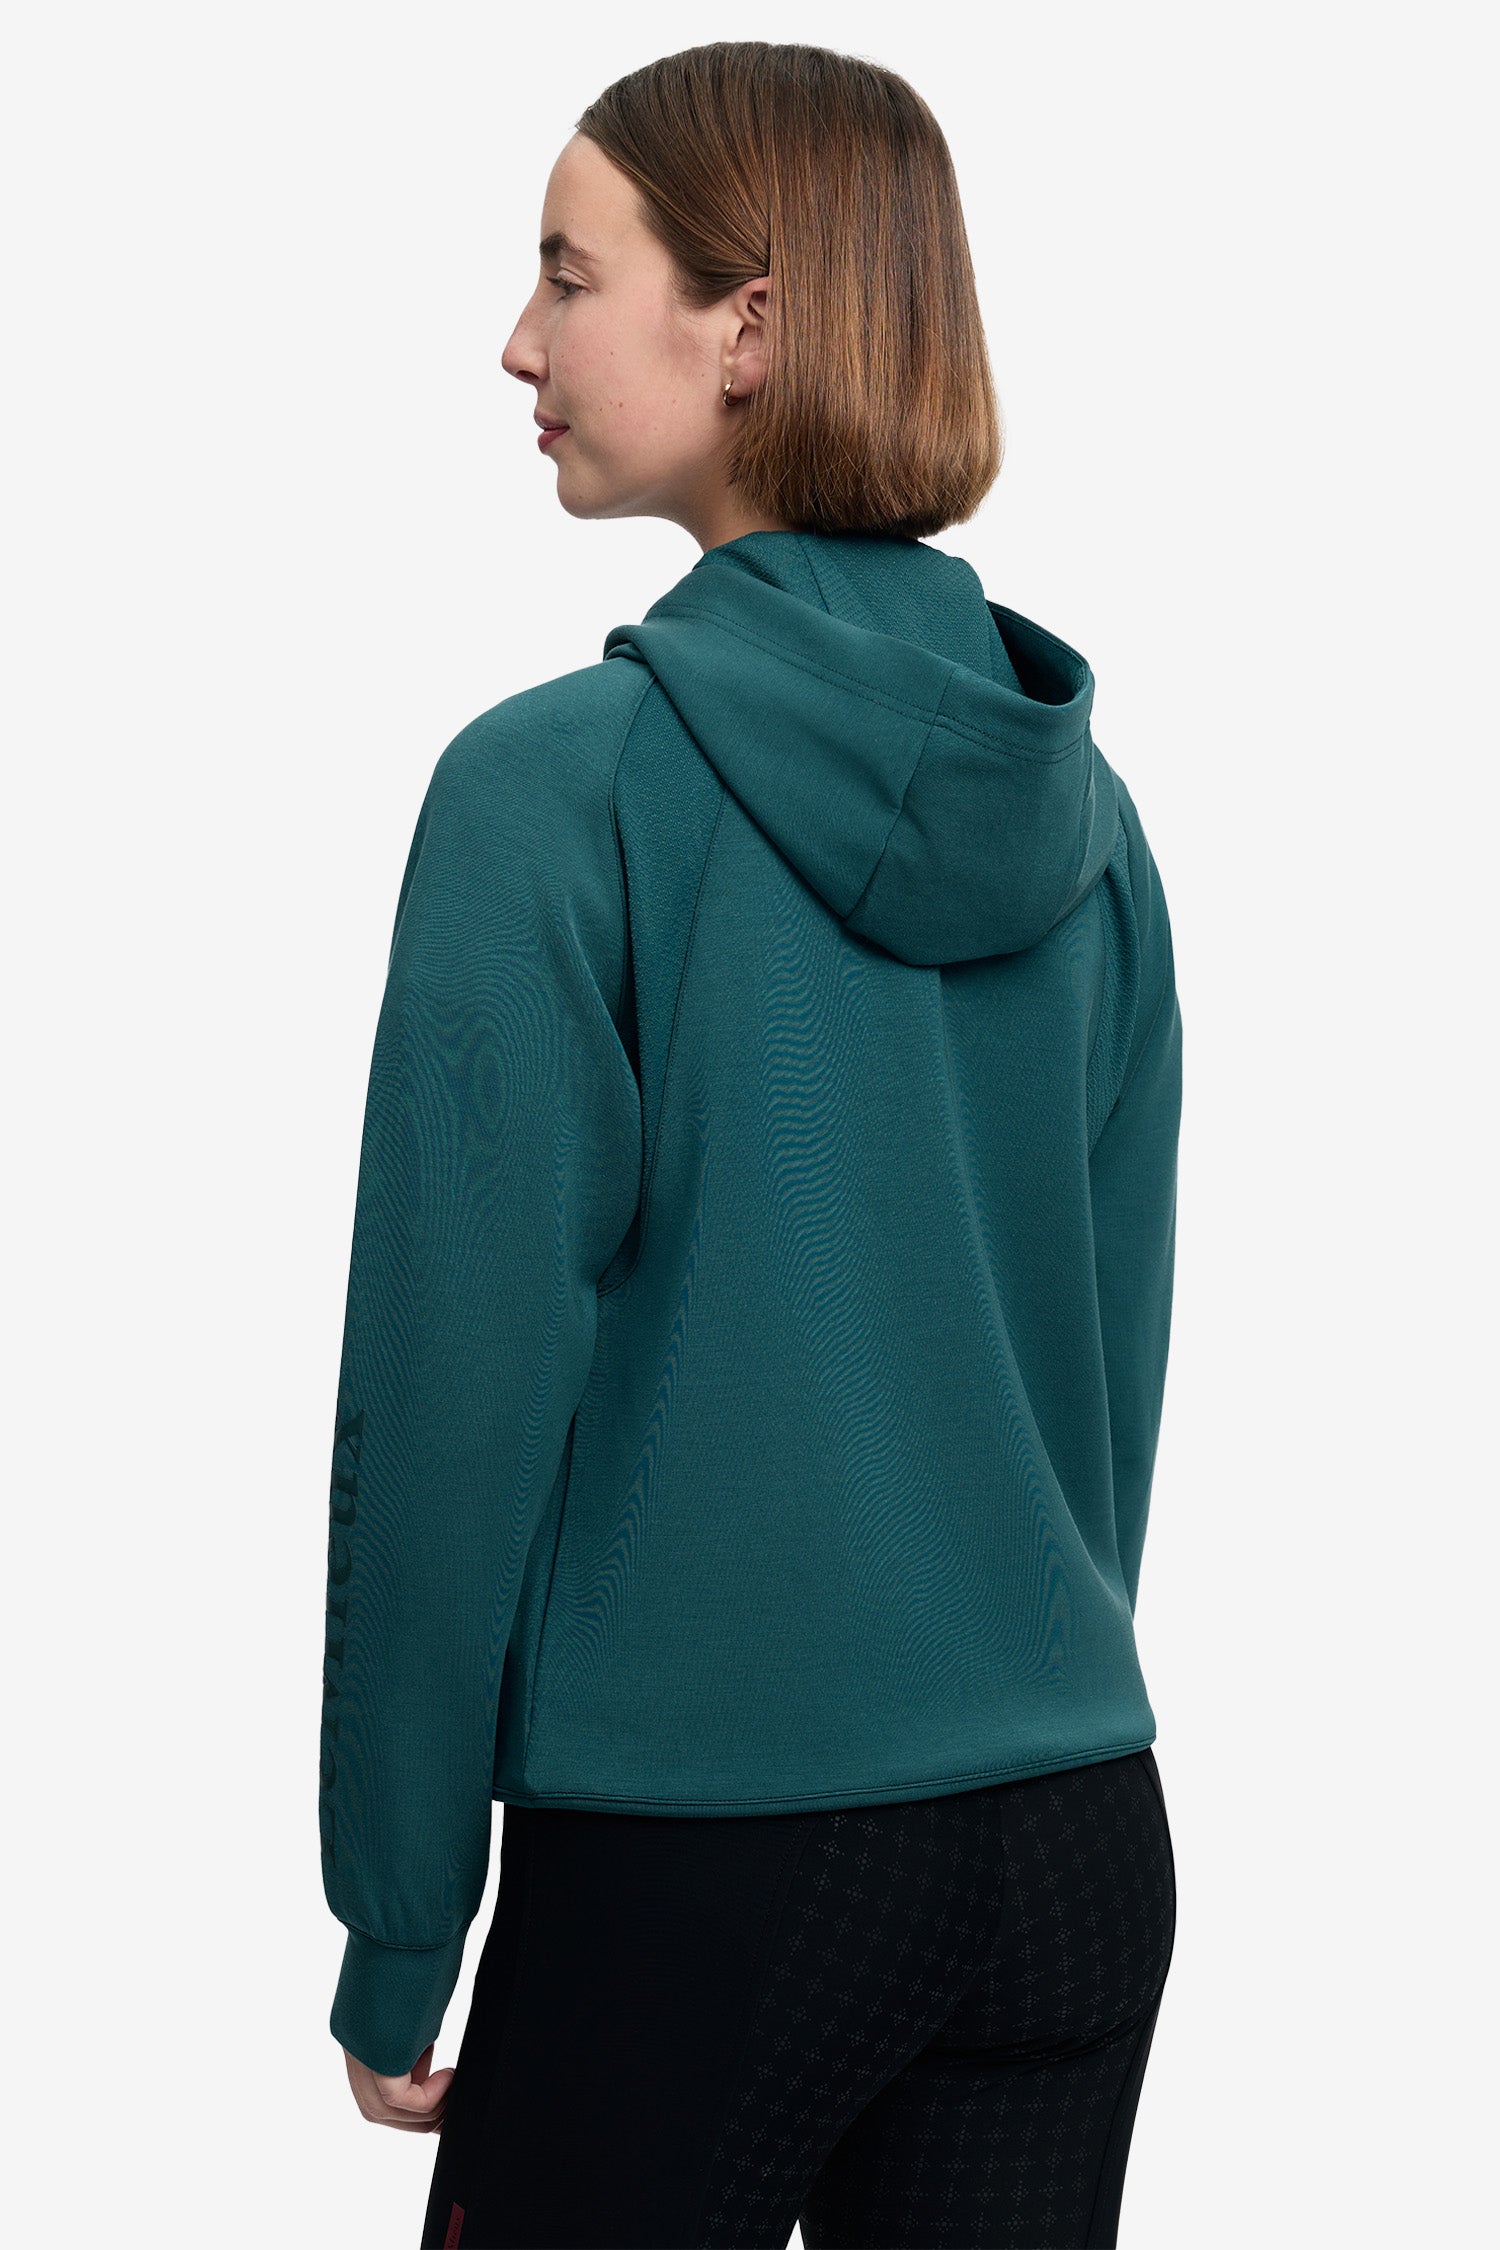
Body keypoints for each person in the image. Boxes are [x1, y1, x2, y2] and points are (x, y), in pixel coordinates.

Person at [319, 40, 1182, 2250]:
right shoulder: (1090, 822)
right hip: (1074, 1832)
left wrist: (402, 1909)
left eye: (567, 273)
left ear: (753, 326)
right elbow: (1107, 1372)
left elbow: (452, 1386)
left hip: (705, 1856)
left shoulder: (553, 791)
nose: (518, 342)